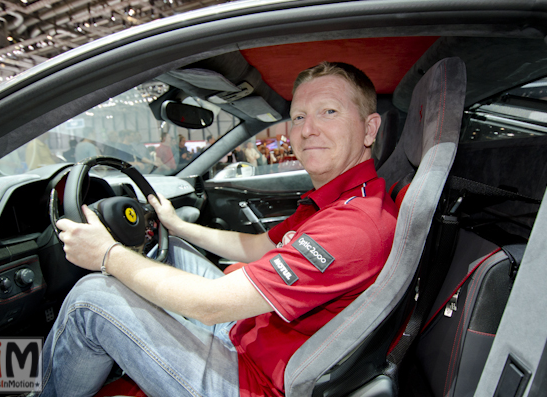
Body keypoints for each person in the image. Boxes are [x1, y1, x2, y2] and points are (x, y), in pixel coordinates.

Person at [42, 61, 397, 397]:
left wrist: (107, 255)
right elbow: (259, 246)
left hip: (250, 381)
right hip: (249, 334)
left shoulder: (353, 226)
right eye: (299, 116)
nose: (306, 130)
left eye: (329, 112)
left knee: (89, 299)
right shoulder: (338, 200)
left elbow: (211, 306)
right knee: (174, 252)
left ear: (369, 129)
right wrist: (179, 227)